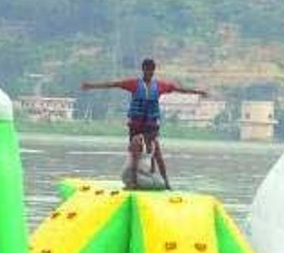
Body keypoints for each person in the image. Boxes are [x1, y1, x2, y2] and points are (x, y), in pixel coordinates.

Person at [80, 58, 208, 189]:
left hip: (150, 124)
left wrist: (198, 92)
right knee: (135, 151)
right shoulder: (134, 84)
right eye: (147, 70)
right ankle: (132, 180)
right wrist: (91, 86)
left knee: (152, 151)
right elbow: (114, 84)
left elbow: (179, 89)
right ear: (143, 70)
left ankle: (149, 174)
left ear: (153, 71)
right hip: (136, 125)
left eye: (152, 71)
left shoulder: (159, 86)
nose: (150, 73)